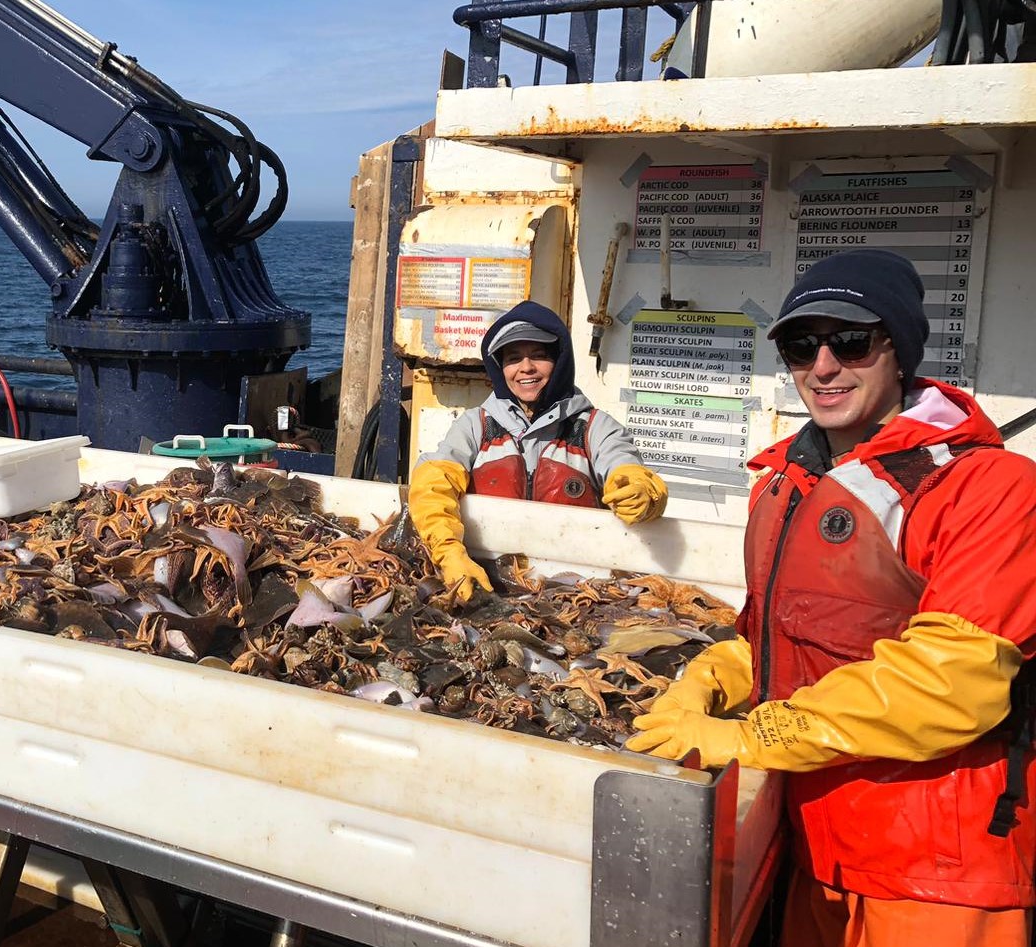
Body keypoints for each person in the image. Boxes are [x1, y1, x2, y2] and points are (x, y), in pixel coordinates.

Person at [627, 249, 1036, 947]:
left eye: (850, 341)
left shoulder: (990, 488)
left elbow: (953, 682)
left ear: (899, 350)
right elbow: (775, 635)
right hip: (809, 846)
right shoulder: (783, 481)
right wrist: (710, 677)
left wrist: (752, 736)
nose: (822, 366)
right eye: (799, 345)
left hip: (935, 871)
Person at [409, 300, 668, 601]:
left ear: (560, 361)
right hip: (486, 584)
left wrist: (640, 490)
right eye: (513, 358)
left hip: (576, 594)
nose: (526, 367)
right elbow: (433, 485)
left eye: (539, 355)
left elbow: (624, 465)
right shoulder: (475, 426)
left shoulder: (594, 427)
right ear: (500, 367)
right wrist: (448, 551)